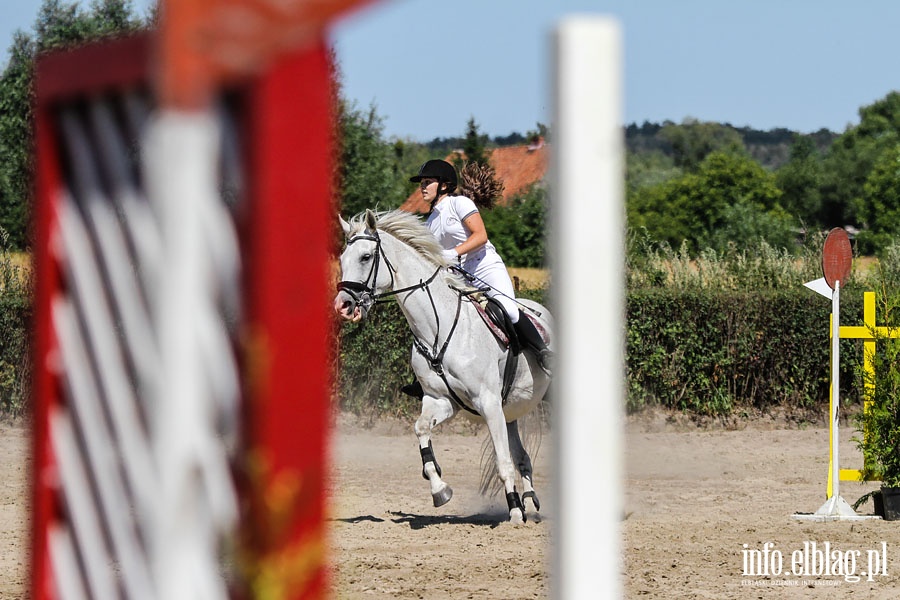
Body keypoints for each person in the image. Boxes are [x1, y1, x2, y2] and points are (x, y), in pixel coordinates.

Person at [409, 158, 552, 373]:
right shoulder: (430, 222)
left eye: (427, 181)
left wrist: (452, 253)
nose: (422, 186)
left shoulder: (459, 204)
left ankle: (543, 353)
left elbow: (481, 236)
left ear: (444, 185)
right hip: (460, 277)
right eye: (421, 182)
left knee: (509, 310)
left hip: (484, 266)